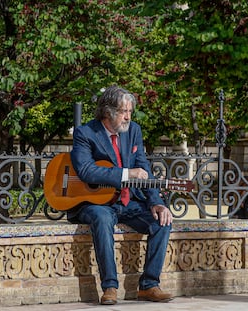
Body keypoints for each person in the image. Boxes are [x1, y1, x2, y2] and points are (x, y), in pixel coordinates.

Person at [69, 85, 173, 305]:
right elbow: (86, 170)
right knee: (103, 218)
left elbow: (143, 168)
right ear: (108, 112)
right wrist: (126, 173)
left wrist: (156, 202)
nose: (128, 116)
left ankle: (149, 285)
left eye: (130, 112)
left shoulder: (133, 130)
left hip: (128, 201)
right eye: (123, 112)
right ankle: (110, 287)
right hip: (94, 203)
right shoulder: (85, 133)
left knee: (163, 222)